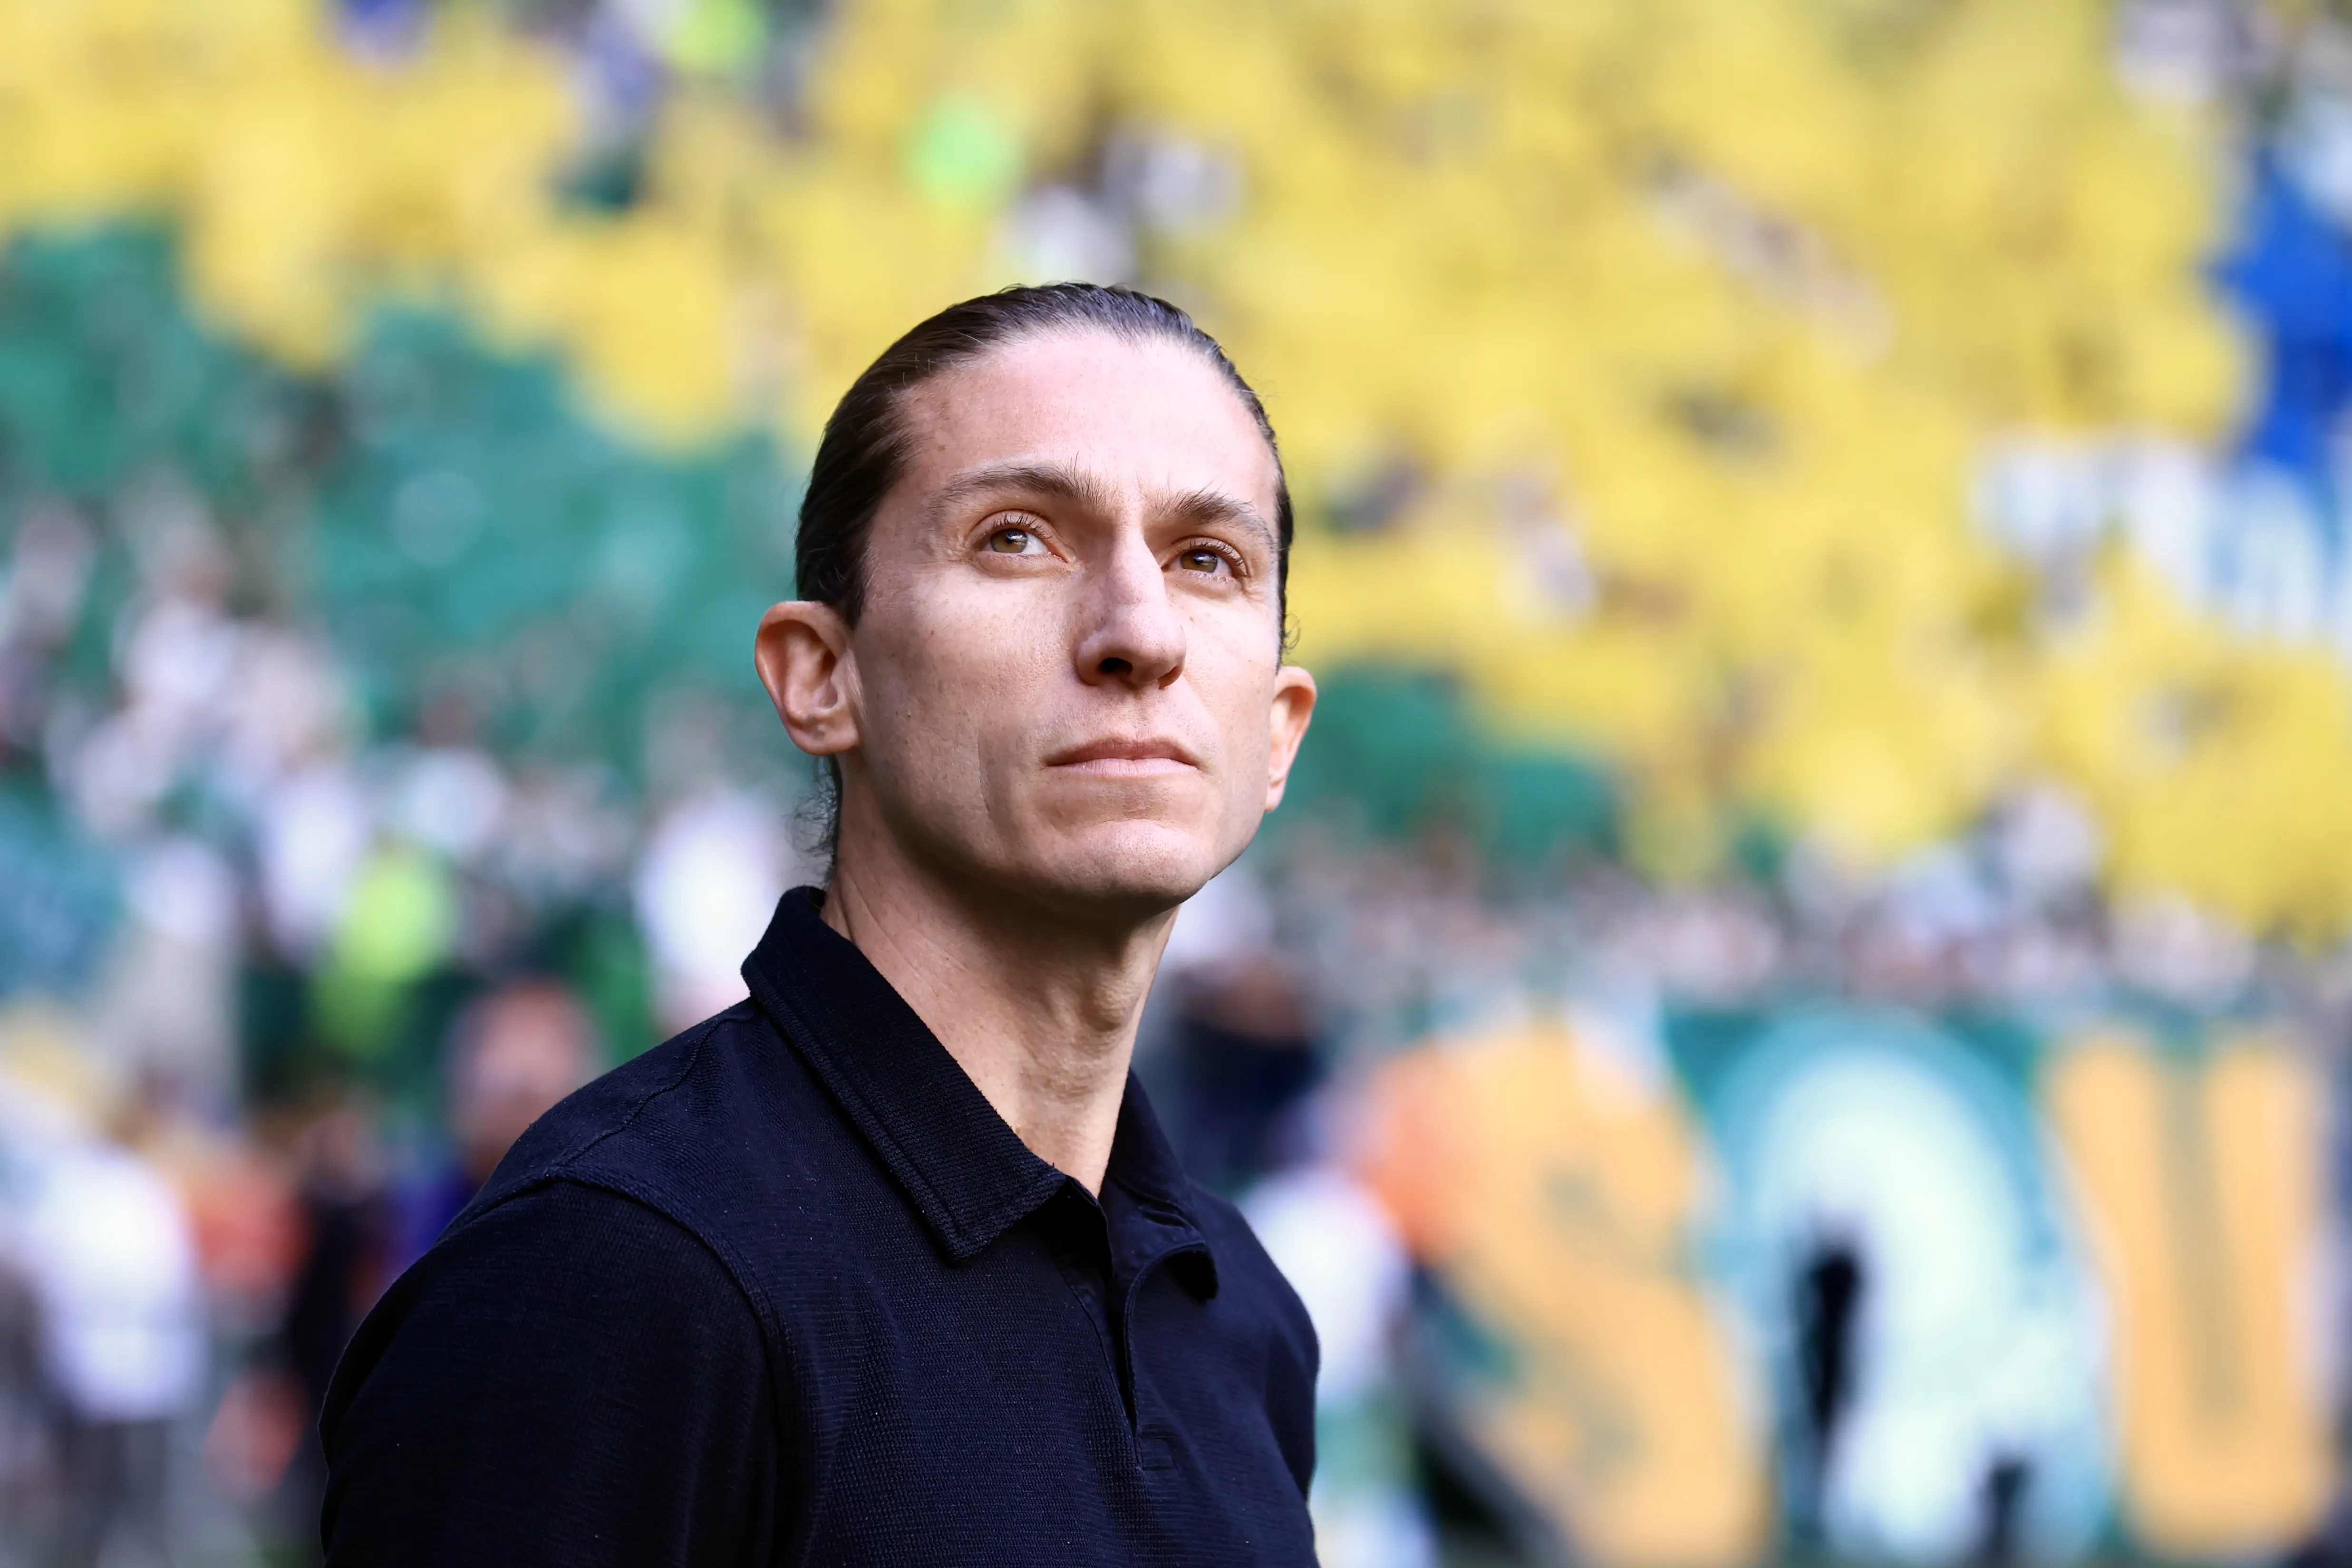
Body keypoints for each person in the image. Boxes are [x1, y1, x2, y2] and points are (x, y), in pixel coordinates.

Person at [319, 283, 1322, 1565]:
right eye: (1019, 538)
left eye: (1207, 561)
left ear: (1277, 730)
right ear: (820, 675)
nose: (1139, 632)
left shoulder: (1239, 1314)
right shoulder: (615, 1280)